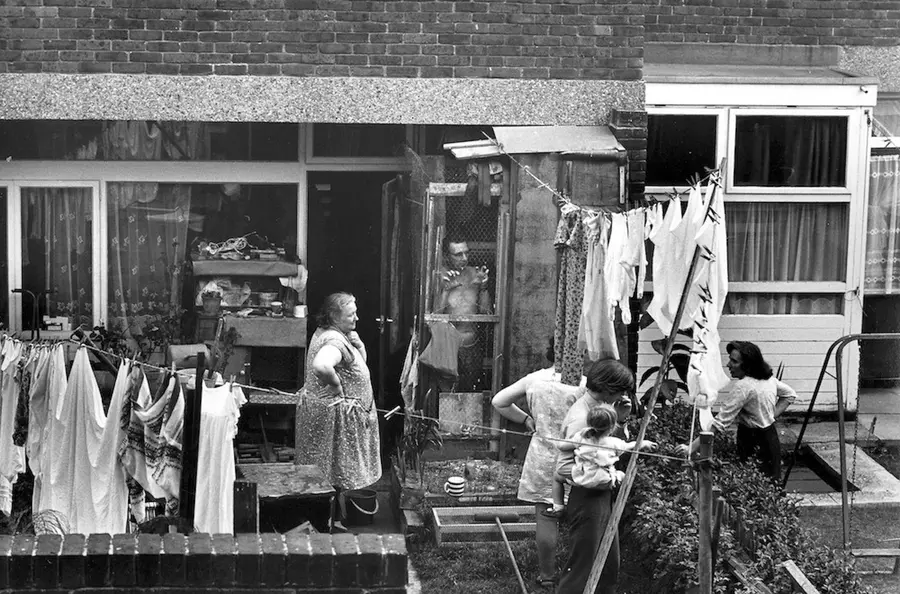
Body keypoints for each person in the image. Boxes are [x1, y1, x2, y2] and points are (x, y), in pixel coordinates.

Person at [491, 337, 581, 589]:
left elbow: (499, 401)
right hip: (575, 457)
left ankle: (547, 575)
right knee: (581, 517)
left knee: (546, 517)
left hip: (542, 457)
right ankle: (578, 573)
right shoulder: (584, 386)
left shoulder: (534, 379)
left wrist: (525, 419)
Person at [295, 292, 381, 532]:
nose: (357, 318)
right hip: (332, 416)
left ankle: (331, 519)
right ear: (333, 315)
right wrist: (336, 386)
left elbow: (355, 365)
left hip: (327, 414)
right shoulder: (334, 340)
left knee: (331, 468)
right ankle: (326, 523)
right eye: (351, 314)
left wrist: (360, 346)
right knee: (331, 469)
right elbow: (322, 366)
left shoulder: (328, 333)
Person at [556, 359, 635, 594]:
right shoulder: (582, 419)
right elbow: (561, 467)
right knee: (583, 569)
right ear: (608, 388)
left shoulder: (599, 411)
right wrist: (594, 477)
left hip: (601, 495)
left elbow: (604, 445)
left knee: (608, 568)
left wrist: (619, 419)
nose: (623, 395)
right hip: (588, 498)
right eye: (620, 391)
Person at [682, 340, 796, 482]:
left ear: (747, 365)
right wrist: (769, 417)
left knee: (752, 483)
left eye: (734, 361)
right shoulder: (768, 380)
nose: (728, 365)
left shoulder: (743, 387)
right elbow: (790, 395)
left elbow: (720, 423)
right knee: (771, 483)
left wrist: (691, 448)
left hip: (752, 439)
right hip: (770, 436)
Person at [544, 403, 656, 519]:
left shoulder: (582, 437)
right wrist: (644, 443)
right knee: (622, 475)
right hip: (604, 482)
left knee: (557, 477)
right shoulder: (613, 443)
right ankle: (618, 479)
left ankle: (558, 508)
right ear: (612, 427)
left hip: (583, 478)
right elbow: (630, 446)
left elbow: (562, 446)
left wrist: (558, 438)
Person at [433, 233, 492, 391]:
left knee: (470, 391)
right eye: (458, 254)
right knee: (446, 393)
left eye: (467, 253)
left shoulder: (475, 274)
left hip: (470, 343)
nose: (464, 258)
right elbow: (435, 316)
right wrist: (445, 291)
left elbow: (486, 313)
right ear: (447, 255)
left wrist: (484, 287)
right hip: (447, 344)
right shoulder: (440, 275)